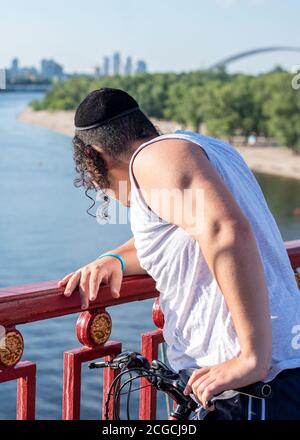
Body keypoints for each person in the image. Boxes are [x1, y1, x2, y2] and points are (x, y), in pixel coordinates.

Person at [58, 88, 300, 420]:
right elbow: (179, 239)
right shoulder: (202, 148)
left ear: (94, 157)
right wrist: (113, 259)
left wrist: (251, 358)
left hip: (251, 384)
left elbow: (225, 231)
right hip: (257, 380)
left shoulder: (152, 159)